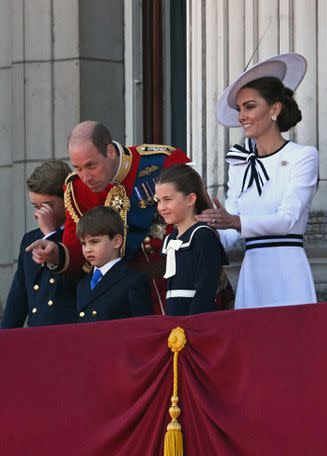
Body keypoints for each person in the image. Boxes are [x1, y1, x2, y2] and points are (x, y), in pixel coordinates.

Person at [26, 121, 189, 314]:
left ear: (110, 151)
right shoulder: (76, 189)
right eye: (77, 168)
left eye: (91, 165)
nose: (85, 177)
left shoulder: (163, 162)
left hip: (177, 287)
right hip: (120, 303)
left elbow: (195, 225)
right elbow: (77, 247)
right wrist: (57, 254)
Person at [196, 53, 319, 309]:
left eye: (249, 106)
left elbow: (289, 219)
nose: (242, 115)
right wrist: (201, 222)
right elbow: (230, 236)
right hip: (252, 273)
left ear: (274, 109)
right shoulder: (239, 162)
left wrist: (235, 221)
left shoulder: (303, 156)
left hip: (288, 272)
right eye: (239, 108)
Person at [2, 160, 77, 328]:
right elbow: (18, 298)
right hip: (37, 335)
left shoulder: (82, 235)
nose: (40, 213)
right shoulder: (29, 240)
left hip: (68, 334)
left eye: (47, 206)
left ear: (66, 199)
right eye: (36, 206)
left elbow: (69, 279)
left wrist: (50, 234)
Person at [155, 164, 228, 316]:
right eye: (158, 201)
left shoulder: (203, 237)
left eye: (167, 199)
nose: (161, 207)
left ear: (190, 199)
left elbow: (205, 290)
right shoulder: (170, 239)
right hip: (174, 321)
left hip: (195, 322)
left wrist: (192, 326)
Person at [76, 206, 153, 321]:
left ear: (116, 241)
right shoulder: (83, 284)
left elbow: (143, 328)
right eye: (83, 243)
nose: (87, 249)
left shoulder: (133, 280)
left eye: (94, 241)